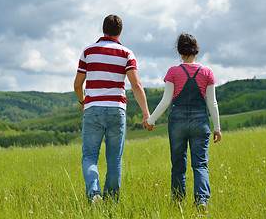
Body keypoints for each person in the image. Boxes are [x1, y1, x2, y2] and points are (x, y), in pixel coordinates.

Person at [74, 14, 150, 205]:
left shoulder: (88, 52)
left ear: (103, 29)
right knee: (114, 160)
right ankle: (111, 203)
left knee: (90, 157)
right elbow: (136, 85)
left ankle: (94, 195)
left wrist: (83, 102)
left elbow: (77, 84)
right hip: (117, 110)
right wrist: (146, 113)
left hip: (93, 110)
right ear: (120, 32)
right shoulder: (127, 53)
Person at [143, 33, 221, 212]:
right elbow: (212, 103)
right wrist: (217, 128)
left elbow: (165, 101)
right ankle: (202, 199)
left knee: (178, 164)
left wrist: (150, 120)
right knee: (200, 164)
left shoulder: (173, 72)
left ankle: (177, 202)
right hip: (200, 122)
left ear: (179, 51)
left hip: (177, 122)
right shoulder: (207, 72)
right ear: (196, 50)